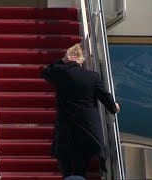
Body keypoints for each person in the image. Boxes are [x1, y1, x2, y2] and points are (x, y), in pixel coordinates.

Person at [41, 43, 120, 178]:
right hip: (86, 125)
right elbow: (104, 96)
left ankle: (67, 176)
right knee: (81, 160)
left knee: (64, 157)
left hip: (65, 124)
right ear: (81, 60)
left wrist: (62, 61)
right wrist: (113, 107)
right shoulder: (92, 76)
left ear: (69, 58)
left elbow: (46, 72)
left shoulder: (61, 74)